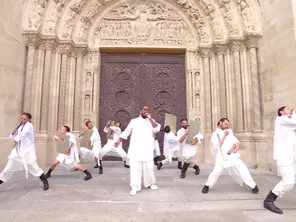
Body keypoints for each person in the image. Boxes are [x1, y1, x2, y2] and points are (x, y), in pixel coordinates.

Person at [201, 118, 259, 195]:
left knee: (242, 169)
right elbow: (219, 145)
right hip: (221, 156)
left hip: (232, 155)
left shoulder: (229, 132)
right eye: (225, 124)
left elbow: (236, 142)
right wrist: (225, 135)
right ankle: (207, 186)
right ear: (220, 122)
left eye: (228, 124)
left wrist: (234, 149)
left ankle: (254, 186)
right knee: (216, 171)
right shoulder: (215, 134)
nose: (227, 126)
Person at [114, 105, 161, 196]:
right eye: (144, 109)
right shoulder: (134, 121)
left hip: (147, 149)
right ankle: (135, 187)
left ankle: (151, 183)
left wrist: (150, 118)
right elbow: (126, 133)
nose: (146, 111)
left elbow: (156, 129)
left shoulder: (151, 122)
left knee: (149, 168)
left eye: (147, 110)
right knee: (135, 169)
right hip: (135, 149)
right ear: (140, 111)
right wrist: (118, 141)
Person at [0, 112, 49, 191]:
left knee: (34, 167)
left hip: (27, 152)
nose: (22, 120)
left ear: (29, 119)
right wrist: (13, 134)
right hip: (17, 152)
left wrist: (16, 139)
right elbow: (16, 135)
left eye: (24, 119)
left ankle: (45, 181)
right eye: (21, 118)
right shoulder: (21, 126)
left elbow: (23, 134)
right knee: (7, 169)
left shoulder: (29, 126)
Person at [263, 106, 296, 214]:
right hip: (285, 157)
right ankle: (269, 200)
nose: (290, 109)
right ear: (281, 112)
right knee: (289, 182)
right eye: (287, 108)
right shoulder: (281, 120)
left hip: (292, 157)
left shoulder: (289, 123)